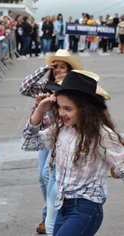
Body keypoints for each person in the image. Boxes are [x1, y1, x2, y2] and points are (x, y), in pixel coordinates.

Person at [21, 70, 124, 236]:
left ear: (85, 109)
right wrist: (40, 110)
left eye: (67, 108)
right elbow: (29, 142)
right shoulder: (60, 129)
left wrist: (115, 169)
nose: (61, 113)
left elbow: (121, 165)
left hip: (86, 209)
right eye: (59, 107)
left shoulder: (102, 134)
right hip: (61, 207)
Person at [19, 49, 83, 235]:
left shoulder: (73, 90)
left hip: (63, 138)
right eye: (56, 67)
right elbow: (24, 87)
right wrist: (43, 68)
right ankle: (51, 212)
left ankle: (51, 213)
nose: (58, 70)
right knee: (43, 175)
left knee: (51, 174)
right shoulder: (46, 88)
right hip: (46, 136)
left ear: (70, 70)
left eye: (63, 67)